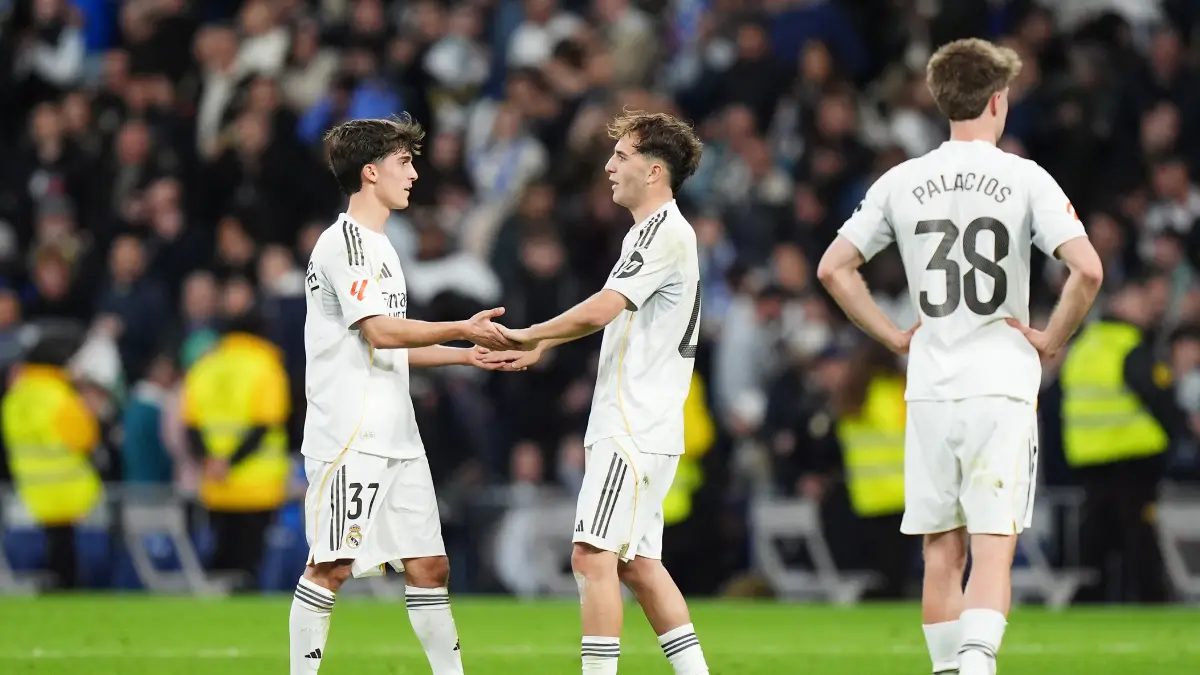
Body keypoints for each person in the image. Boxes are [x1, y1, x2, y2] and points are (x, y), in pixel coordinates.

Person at [815, 39, 1104, 675]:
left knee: (940, 553)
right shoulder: (1025, 177)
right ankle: (977, 664)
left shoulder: (901, 180)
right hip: (999, 385)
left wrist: (892, 335)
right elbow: (1087, 269)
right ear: (997, 101)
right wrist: (1052, 338)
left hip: (929, 387)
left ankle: (951, 669)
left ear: (941, 99)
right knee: (993, 547)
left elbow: (833, 268)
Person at [482, 110, 710, 675]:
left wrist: (533, 333)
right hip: (648, 422)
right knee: (640, 565)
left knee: (591, 556)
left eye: (622, 156)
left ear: (654, 171)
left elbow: (605, 307)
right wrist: (546, 344)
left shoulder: (662, 232)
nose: (609, 167)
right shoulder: (653, 233)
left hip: (632, 424)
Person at [288, 113, 517, 675]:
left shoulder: (384, 248)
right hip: (351, 433)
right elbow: (380, 331)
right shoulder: (344, 243)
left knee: (430, 566)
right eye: (404, 162)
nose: (414, 174)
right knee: (331, 566)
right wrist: (459, 327)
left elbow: (392, 344)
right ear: (370, 172)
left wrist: (463, 354)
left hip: (398, 434)